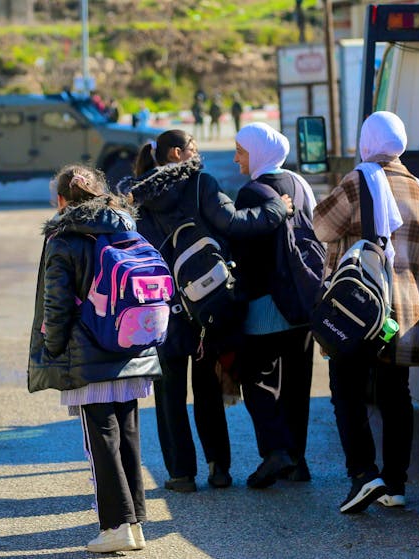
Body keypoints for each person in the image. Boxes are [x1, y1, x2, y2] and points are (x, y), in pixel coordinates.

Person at [116, 129, 293, 493]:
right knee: (207, 388)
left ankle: (181, 474)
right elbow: (235, 224)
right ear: (178, 153)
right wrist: (278, 208)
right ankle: (218, 469)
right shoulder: (200, 184)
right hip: (206, 305)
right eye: (194, 149)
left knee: (170, 396)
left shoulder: (138, 198)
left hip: (162, 309)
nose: (199, 156)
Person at [28, 165, 161, 553]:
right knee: (129, 436)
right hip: (132, 343)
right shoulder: (125, 225)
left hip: (88, 354)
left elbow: (56, 305)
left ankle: (116, 526)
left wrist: (52, 348)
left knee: (100, 440)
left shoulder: (64, 238)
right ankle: (133, 522)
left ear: (61, 200)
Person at [313, 111, 419, 513]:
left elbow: (320, 226)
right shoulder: (418, 187)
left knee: (346, 390)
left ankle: (364, 474)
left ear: (367, 141)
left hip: (362, 312)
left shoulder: (359, 180)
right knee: (394, 394)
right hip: (402, 313)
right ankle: (396, 484)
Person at [230, 123, 318, 488]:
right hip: (301, 300)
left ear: (257, 152)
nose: (236, 158)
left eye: (240, 151)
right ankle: (297, 461)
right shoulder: (299, 184)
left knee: (254, 378)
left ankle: (275, 451)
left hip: (265, 304)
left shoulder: (251, 193)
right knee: (298, 384)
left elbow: (244, 248)